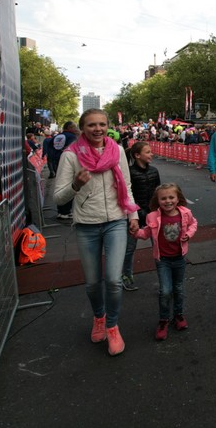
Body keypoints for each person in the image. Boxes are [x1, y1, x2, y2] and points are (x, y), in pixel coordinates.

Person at [53, 109, 140, 356]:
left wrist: (133, 215)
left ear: (108, 126)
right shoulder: (70, 155)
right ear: (82, 128)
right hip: (86, 225)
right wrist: (76, 185)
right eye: (92, 125)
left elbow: (127, 185)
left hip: (116, 221)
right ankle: (99, 317)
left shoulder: (117, 150)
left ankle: (112, 326)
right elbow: (58, 197)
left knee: (113, 279)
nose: (98, 129)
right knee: (92, 283)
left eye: (102, 124)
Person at [132, 183, 197, 341]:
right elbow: (146, 233)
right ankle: (163, 320)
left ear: (178, 198)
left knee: (178, 289)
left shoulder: (185, 213)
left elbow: (193, 224)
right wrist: (135, 232)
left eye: (171, 197)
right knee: (166, 291)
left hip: (179, 258)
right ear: (157, 200)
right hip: (163, 260)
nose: (168, 201)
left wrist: (189, 234)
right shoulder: (152, 216)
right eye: (163, 198)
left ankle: (178, 315)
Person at [124, 141, 161, 291]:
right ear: (137, 155)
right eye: (148, 152)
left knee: (159, 247)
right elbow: (127, 195)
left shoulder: (154, 171)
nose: (151, 154)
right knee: (129, 248)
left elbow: (158, 193)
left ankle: (164, 280)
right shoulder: (129, 173)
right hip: (135, 216)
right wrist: (137, 213)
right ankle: (126, 277)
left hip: (153, 215)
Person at [49, 121, 79, 219]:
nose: (76, 129)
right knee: (69, 186)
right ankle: (65, 211)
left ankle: (61, 210)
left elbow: (50, 149)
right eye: (74, 127)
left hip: (56, 162)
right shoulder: (72, 137)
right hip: (67, 163)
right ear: (70, 128)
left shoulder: (56, 136)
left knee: (61, 185)